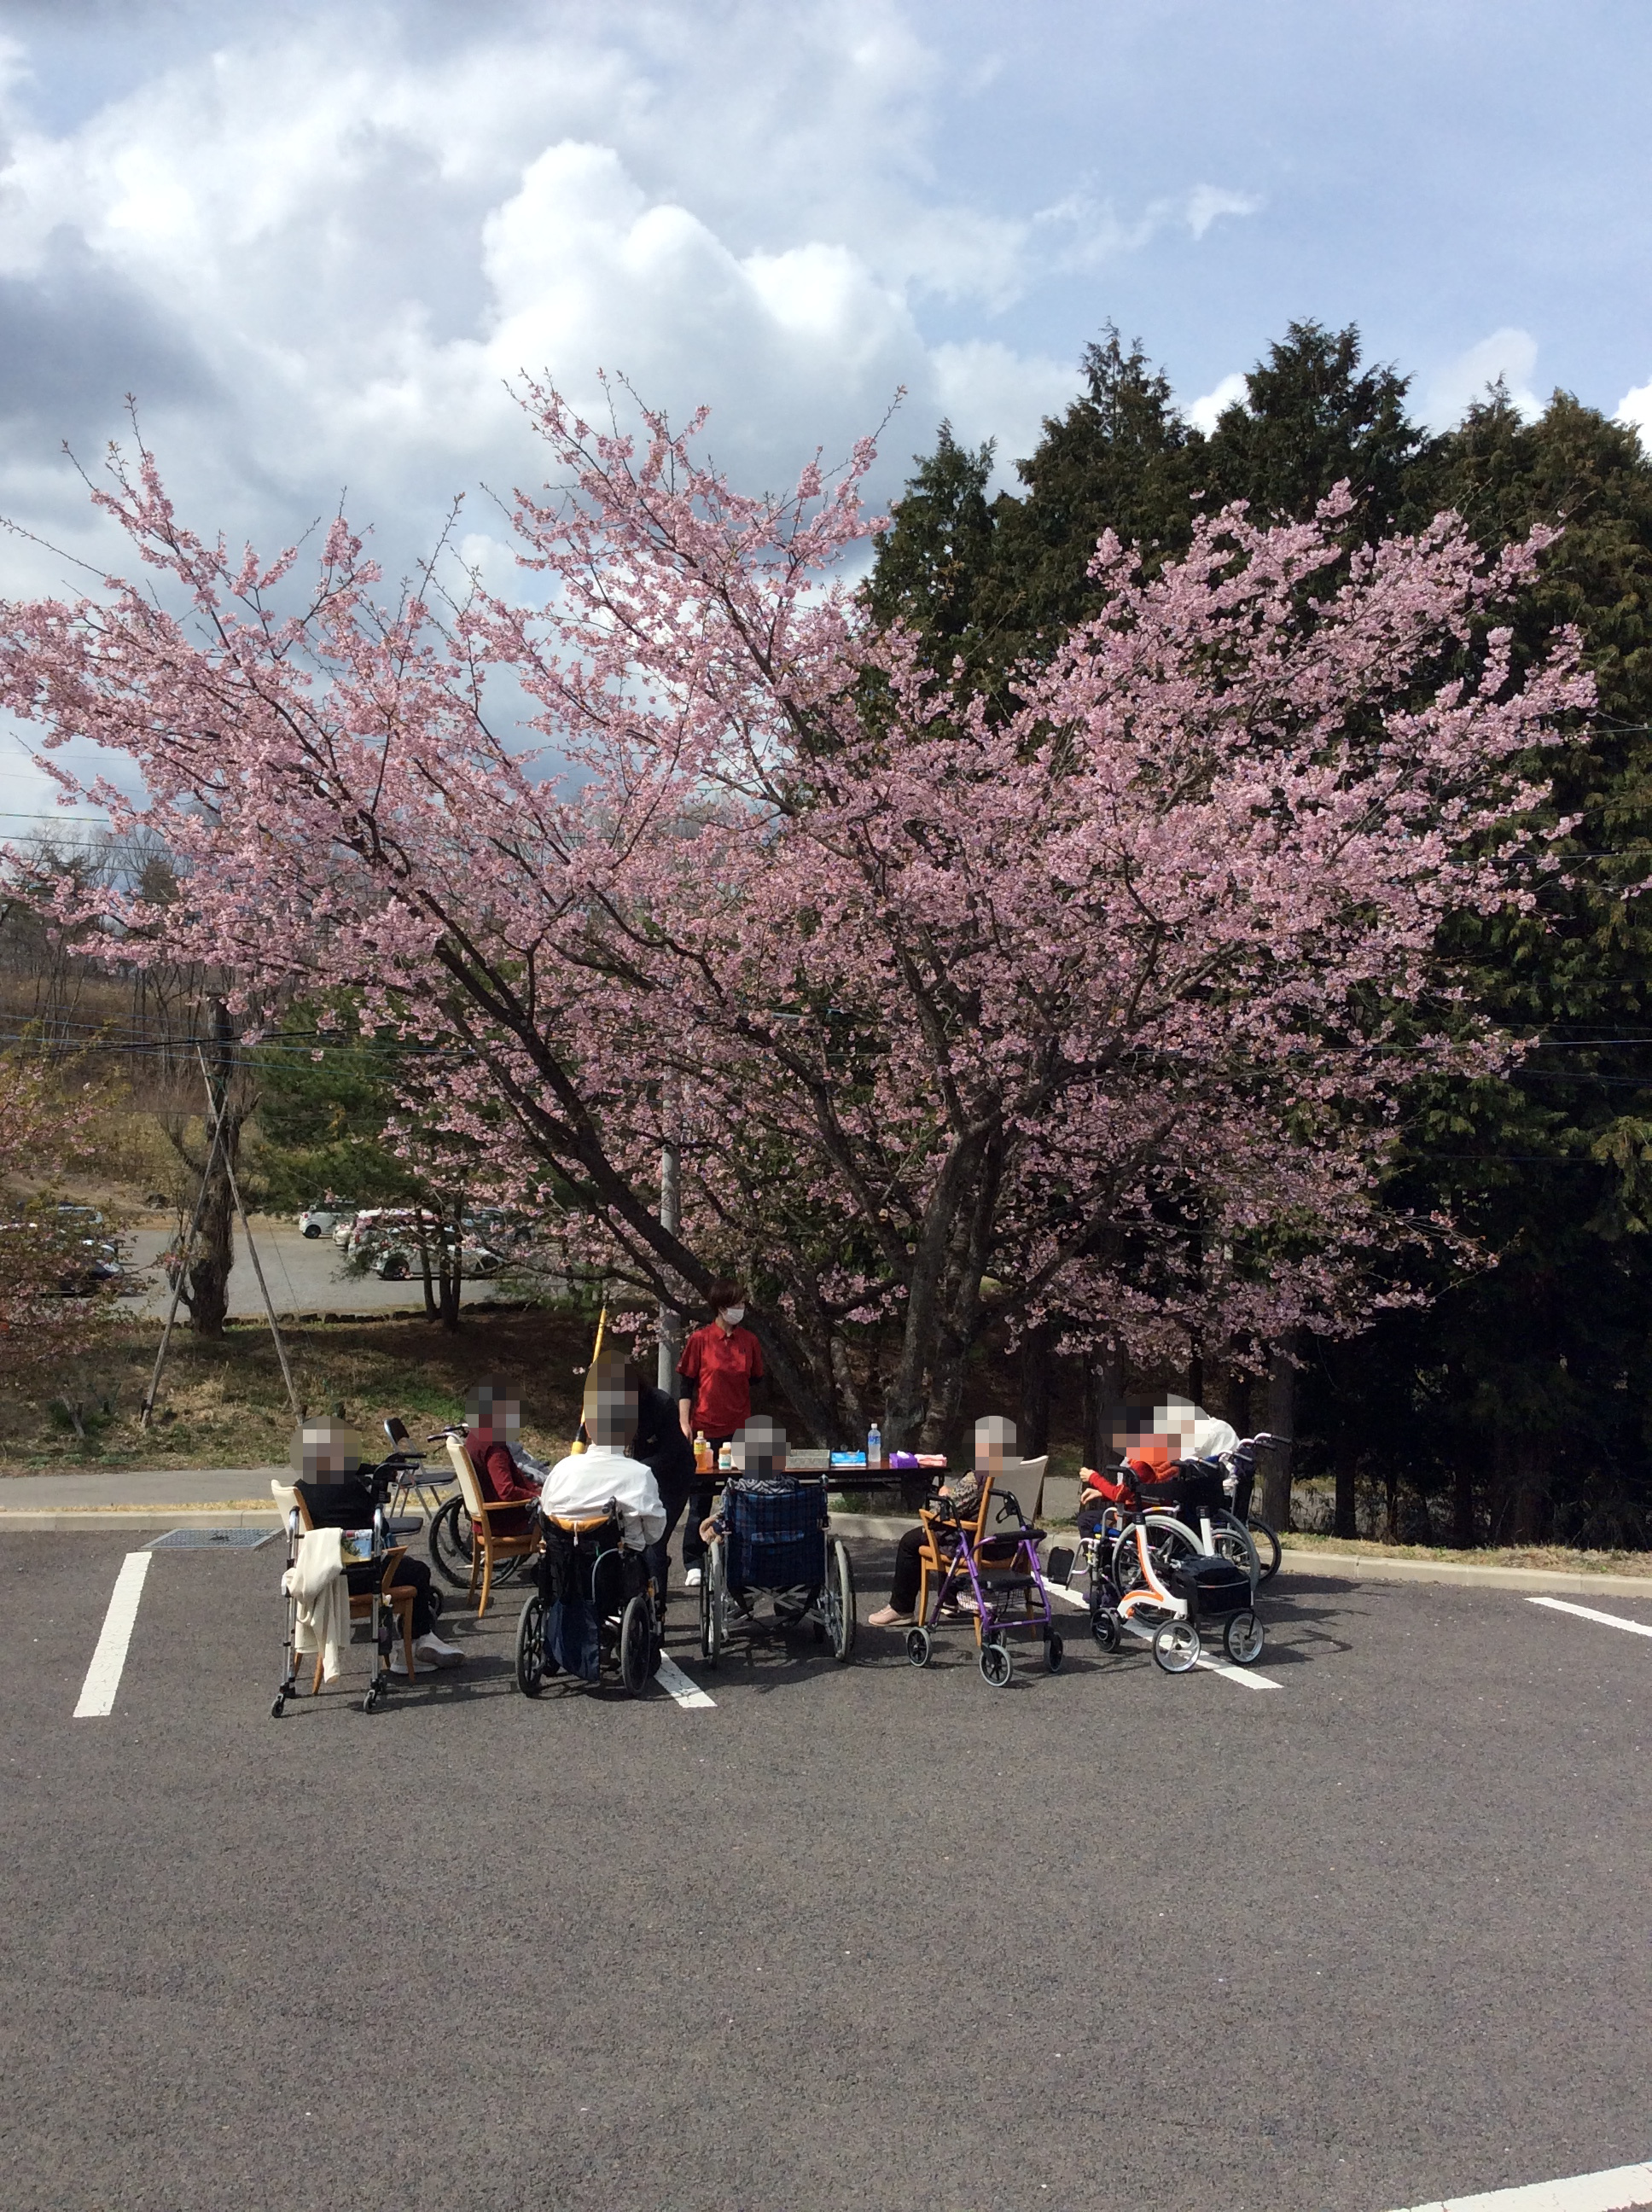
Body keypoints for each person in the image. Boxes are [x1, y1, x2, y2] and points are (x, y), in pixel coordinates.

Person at [289, 1417, 462, 1672]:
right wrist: (375, 1493)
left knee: (403, 1566)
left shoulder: (300, 1488)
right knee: (417, 1571)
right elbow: (377, 1529)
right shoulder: (349, 1489)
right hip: (356, 1577)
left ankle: (421, 1642)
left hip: (317, 1577)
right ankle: (415, 1647)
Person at [868, 1414, 1016, 1628]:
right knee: (948, 1534)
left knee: (915, 1539)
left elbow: (942, 1512)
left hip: (978, 1547)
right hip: (1010, 1546)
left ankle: (901, 1609)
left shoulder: (979, 1478)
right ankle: (951, 1599)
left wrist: (944, 1495)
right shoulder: (1020, 1474)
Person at [575, 1361, 696, 1619]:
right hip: (631, 1476)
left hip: (670, 1475)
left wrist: (632, 1468)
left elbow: (672, 1453)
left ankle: (656, 1610)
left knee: (654, 1543)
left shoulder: (660, 1405)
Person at [676, 1279, 765, 1588]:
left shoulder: (749, 1341)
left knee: (743, 1497)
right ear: (721, 1307)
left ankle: (739, 1557)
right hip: (704, 1429)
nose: (740, 1309)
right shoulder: (700, 1340)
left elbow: (755, 1381)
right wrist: (684, 1422)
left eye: (743, 1303)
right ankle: (694, 1559)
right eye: (736, 1304)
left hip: (739, 1430)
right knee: (700, 1496)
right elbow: (686, 1384)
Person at [539, 1354, 666, 1550]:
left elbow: (547, 1512)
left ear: (588, 1429)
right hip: (620, 1573)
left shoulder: (561, 1470)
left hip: (563, 1573)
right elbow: (653, 1533)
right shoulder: (639, 1475)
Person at [462, 1380, 547, 1537]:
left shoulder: (475, 1436)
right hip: (506, 1522)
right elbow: (506, 1491)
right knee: (558, 1522)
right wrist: (537, 1497)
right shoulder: (494, 1447)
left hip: (487, 1518)